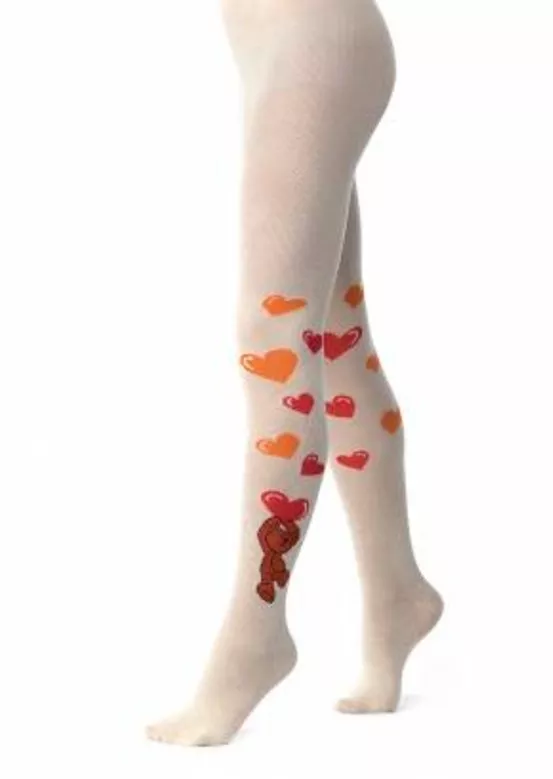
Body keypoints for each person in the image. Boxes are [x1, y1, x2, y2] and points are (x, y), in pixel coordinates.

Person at [147, 0, 442, 747]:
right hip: (290, 46)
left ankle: (256, 634)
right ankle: (397, 591)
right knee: (335, 336)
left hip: (314, 43)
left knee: (272, 334)